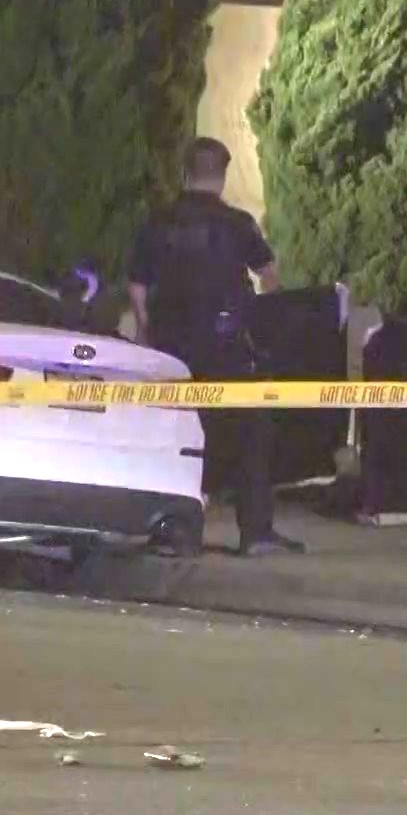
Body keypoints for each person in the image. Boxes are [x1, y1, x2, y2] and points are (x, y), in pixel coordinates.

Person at [128, 138, 305, 556]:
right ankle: (256, 533)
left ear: (185, 172)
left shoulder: (158, 222)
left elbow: (137, 286)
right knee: (252, 432)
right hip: (226, 348)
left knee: (172, 435)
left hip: (171, 348)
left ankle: (170, 531)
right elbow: (270, 275)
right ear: (222, 175)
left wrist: (145, 330)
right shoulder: (238, 223)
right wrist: (259, 317)